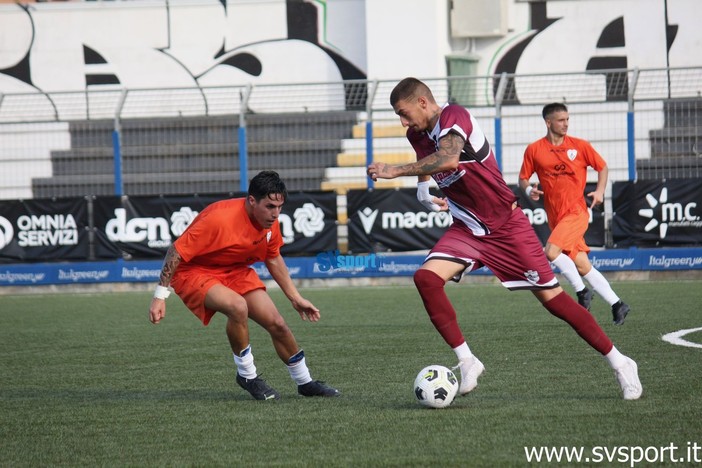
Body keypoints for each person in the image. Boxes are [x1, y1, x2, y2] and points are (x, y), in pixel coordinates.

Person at [366, 78, 642, 400]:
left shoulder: (454, 115)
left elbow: (448, 158)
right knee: (425, 278)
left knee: (556, 303)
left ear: (423, 103)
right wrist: (424, 189)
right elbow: (427, 159)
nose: (403, 121)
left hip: (507, 227)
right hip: (468, 229)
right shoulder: (416, 133)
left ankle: (621, 362)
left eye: (404, 113)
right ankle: (468, 361)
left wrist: (394, 171)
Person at [148, 170, 339, 400]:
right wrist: (160, 296)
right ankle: (247, 375)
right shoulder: (219, 217)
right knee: (237, 306)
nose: (275, 213)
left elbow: (273, 257)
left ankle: (304, 382)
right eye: (269, 206)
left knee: (277, 323)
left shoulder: (270, 223)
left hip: (235, 271)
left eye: (279, 207)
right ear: (251, 200)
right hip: (195, 272)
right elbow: (176, 252)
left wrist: (295, 297)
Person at [519, 103, 630, 325]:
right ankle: (618, 304)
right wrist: (529, 189)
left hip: (576, 212)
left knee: (550, 251)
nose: (566, 123)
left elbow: (602, 167)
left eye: (567, 119)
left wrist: (599, 191)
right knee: (582, 265)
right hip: (555, 217)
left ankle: (581, 292)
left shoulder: (580, 146)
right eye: (561, 120)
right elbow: (523, 178)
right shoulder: (535, 149)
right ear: (548, 122)